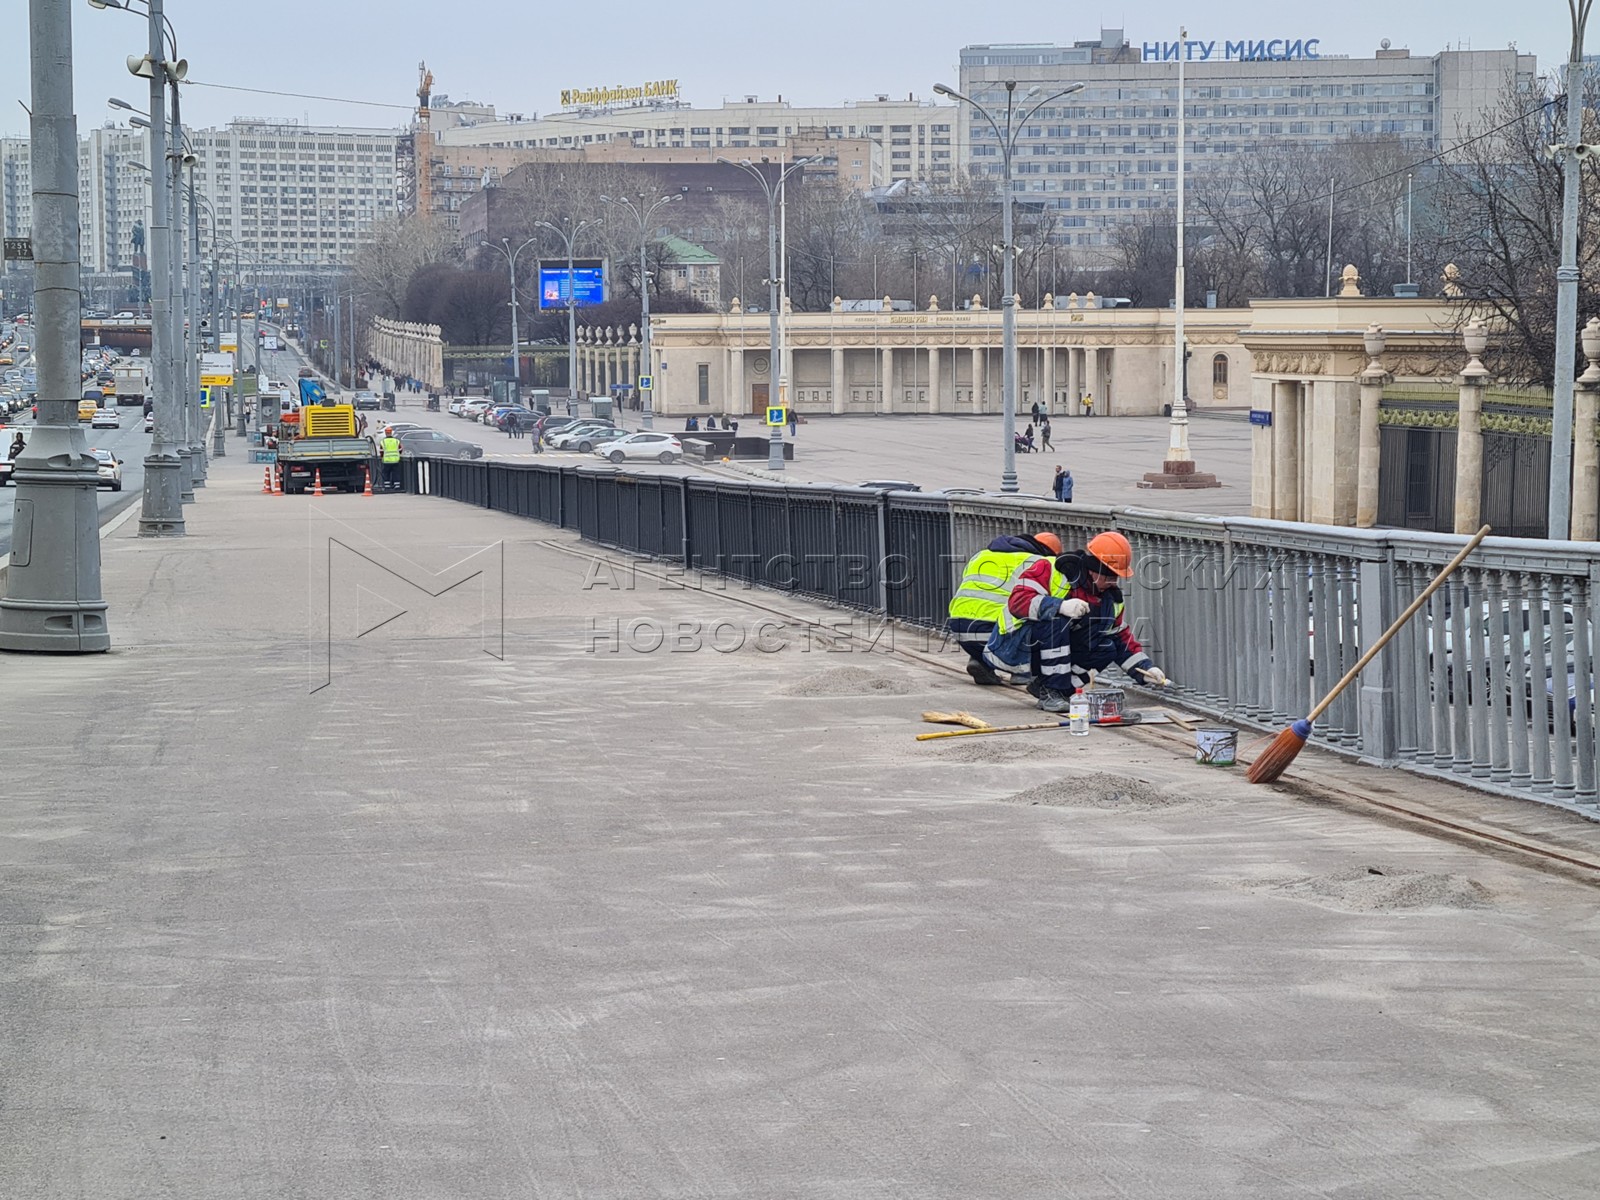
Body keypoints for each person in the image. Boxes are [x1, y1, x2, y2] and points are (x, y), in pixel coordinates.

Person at [985, 530, 1167, 712]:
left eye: (1116, 577)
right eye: (1109, 576)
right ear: (1094, 569)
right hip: (1016, 644)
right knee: (1057, 620)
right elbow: (1017, 602)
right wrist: (1058, 606)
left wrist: (1145, 669)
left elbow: (1120, 640)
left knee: (1106, 647)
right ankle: (1051, 691)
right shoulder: (1050, 570)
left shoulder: (1110, 601)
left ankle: (1053, 688)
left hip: (1043, 648)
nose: (1113, 582)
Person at [946, 530, 1063, 687]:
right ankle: (1022, 670)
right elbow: (1052, 603)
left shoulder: (981, 555)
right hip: (995, 635)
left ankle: (980, 660)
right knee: (1042, 611)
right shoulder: (1041, 563)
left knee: (1011, 605)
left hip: (959, 629)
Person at [379, 426, 402, 491]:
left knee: (386, 473)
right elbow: (400, 449)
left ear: (386, 433)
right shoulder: (396, 441)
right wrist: (398, 455)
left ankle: (387, 487)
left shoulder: (383, 442)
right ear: (391, 433)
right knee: (396, 473)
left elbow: (381, 451)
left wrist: (382, 457)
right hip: (395, 460)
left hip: (386, 461)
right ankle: (397, 486)